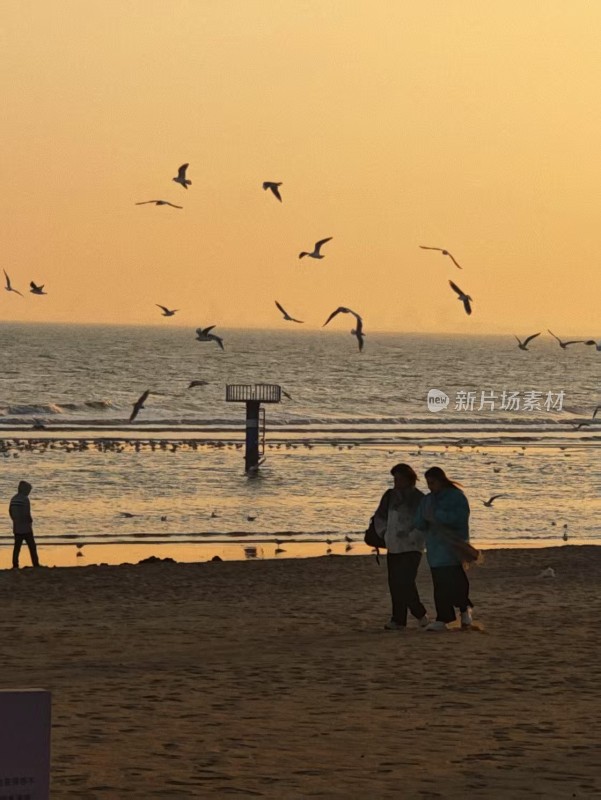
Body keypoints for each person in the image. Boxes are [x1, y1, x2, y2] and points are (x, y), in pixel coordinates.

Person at [414, 466, 473, 631]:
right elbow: (419, 521)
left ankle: (464, 610)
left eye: (432, 483)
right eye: (428, 483)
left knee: (456, 581)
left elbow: (460, 518)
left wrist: (437, 516)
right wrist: (424, 520)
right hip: (434, 547)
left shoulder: (456, 497)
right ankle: (443, 617)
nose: (430, 487)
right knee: (440, 584)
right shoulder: (427, 499)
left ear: (441, 480)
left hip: (452, 546)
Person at [372, 463, 429, 631]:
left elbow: (424, 522)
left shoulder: (420, 498)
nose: (396, 482)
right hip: (393, 545)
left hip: (413, 547)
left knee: (405, 582)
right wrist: (384, 534)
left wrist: (410, 535)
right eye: (394, 479)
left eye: (399, 479)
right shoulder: (389, 496)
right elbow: (380, 517)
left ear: (409, 479)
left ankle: (420, 614)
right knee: (394, 583)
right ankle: (398, 619)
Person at [9, 480, 40, 569]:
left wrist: (15, 520)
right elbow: (27, 513)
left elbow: (10, 512)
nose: (29, 492)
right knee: (32, 546)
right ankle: (35, 564)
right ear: (25, 490)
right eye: (28, 490)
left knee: (17, 547)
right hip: (25, 527)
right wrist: (30, 521)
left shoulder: (13, 498)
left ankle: (15, 564)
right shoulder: (25, 499)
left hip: (17, 526)